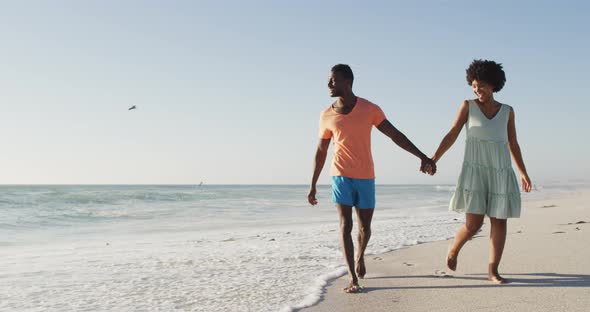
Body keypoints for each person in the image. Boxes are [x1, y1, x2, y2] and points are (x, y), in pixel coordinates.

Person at [307, 64, 436, 293]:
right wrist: (313, 184)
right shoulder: (326, 114)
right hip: (340, 175)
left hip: (365, 176)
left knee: (365, 228)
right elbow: (321, 151)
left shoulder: (369, 109)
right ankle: (352, 277)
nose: (328, 84)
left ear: (347, 81)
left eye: (333, 80)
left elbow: (395, 135)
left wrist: (423, 156)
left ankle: (360, 255)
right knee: (345, 225)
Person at [431, 59, 532, 284]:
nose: (478, 90)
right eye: (474, 86)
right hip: (475, 171)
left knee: (499, 221)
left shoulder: (507, 111)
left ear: (494, 85)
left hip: (500, 170)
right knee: (473, 224)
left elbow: (513, 144)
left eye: (482, 86)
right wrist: (434, 158)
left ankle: (492, 270)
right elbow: (452, 134)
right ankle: (454, 249)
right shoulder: (468, 106)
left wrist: (523, 172)